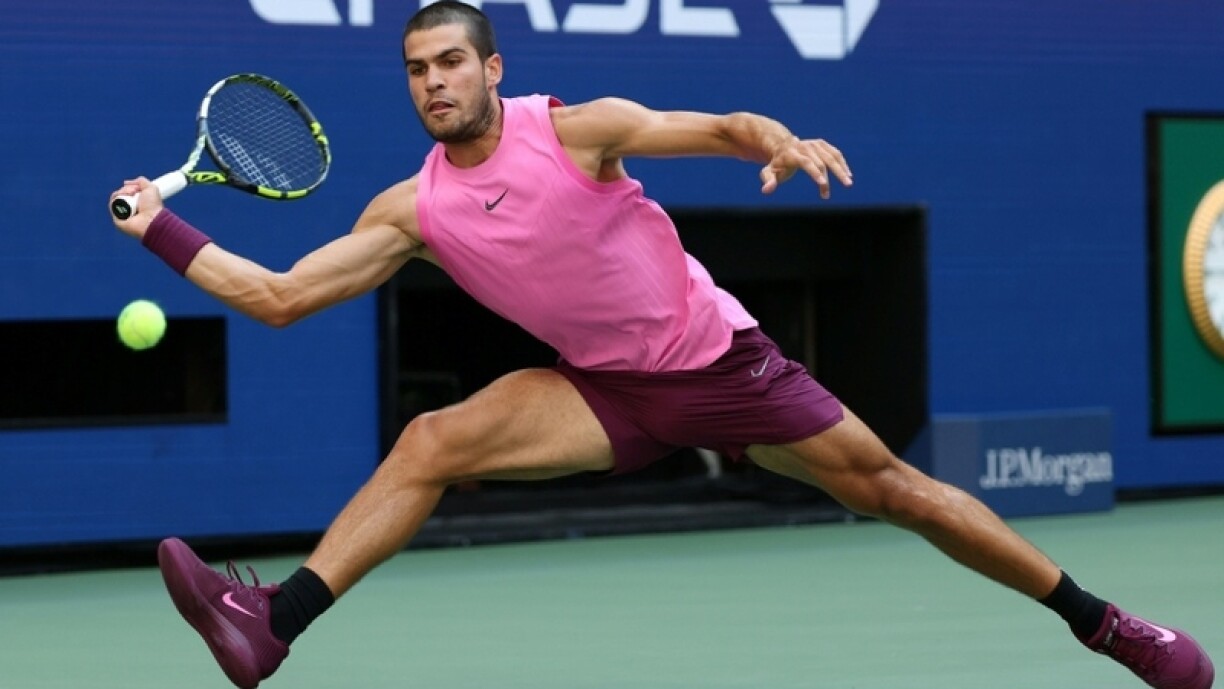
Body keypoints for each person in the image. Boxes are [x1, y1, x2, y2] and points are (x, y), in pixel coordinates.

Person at [109, 3, 1214, 689]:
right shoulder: (412, 210)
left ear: (493, 69)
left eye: (450, 61)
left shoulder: (574, 131)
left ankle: (1106, 625)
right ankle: (274, 622)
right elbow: (280, 296)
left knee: (902, 492)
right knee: (432, 440)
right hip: (603, 389)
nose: (433, 82)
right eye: (416, 68)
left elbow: (718, 128)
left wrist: (776, 137)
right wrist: (160, 227)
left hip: (720, 367)